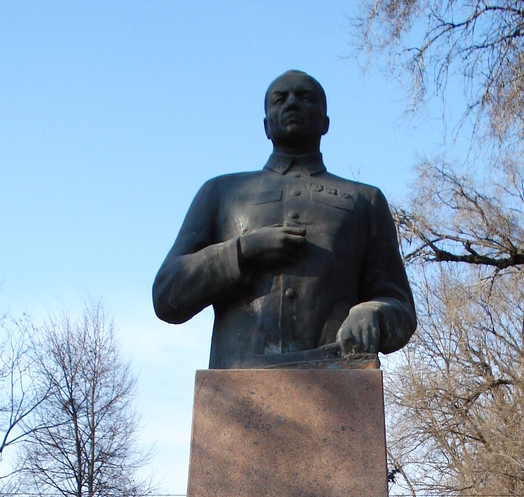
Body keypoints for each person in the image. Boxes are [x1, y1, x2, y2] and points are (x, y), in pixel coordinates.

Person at [153, 70, 416, 369]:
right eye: (280, 99)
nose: (292, 103)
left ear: (326, 122)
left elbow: (401, 307)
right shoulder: (221, 193)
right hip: (238, 382)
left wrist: (374, 312)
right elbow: (166, 293)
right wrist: (243, 251)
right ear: (265, 125)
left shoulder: (364, 200)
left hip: (335, 380)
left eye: (305, 98)